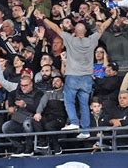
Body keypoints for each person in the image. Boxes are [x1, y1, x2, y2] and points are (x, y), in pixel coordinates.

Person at [33, 8, 116, 139]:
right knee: (84, 103)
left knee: (69, 101)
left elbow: (55, 27)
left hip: (73, 77)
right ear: (85, 31)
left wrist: (43, 18)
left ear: (75, 32)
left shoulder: (70, 39)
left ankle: (74, 122)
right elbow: (103, 27)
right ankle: (86, 130)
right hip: (87, 78)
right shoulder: (92, 40)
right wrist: (112, 17)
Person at [3, 76, 43, 157]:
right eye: (22, 85)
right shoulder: (18, 91)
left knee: (26, 123)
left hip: (32, 119)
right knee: (5, 127)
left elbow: (38, 108)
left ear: (31, 84)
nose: (23, 87)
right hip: (18, 118)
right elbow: (11, 95)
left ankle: (29, 148)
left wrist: (25, 105)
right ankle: (20, 147)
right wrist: (11, 105)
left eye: (26, 85)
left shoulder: (38, 93)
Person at [32, 76, 66, 155]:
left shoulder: (66, 93)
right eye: (54, 81)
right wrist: (38, 113)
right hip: (49, 117)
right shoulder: (47, 93)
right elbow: (42, 104)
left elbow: (70, 108)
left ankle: (56, 146)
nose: (55, 82)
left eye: (58, 80)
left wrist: (69, 121)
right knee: (35, 120)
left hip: (60, 118)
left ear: (62, 83)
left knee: (49, 126)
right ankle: (43, 142)